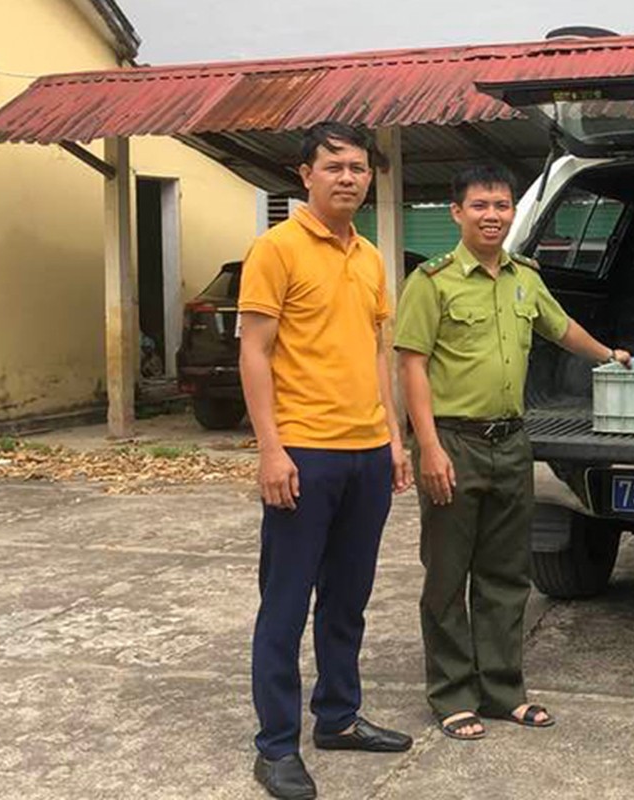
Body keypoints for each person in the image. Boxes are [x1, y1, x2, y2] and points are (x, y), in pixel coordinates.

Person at [395, 164, 630, 741]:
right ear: (457, 213)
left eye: (501, 205)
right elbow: (411, 366)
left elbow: (560, 327)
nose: (493, 215)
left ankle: (502, 690)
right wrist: (426, 446)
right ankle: (452, 695)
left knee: (506, 575)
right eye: (480, 206)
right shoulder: (433, 281)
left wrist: (610, 355)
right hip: (454, 442)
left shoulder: (525, 278)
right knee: (448, 576)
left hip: (511, 442)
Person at [240, 121, 414, 800]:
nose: (348, 177)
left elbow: (377, 351)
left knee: (348, 601)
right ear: (304, 174)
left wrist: (394, 439)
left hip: (367, 453)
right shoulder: (275, 248)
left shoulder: (370, 255)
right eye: (334, 166)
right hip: (304, 453)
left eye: (359, 168)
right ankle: (276, 746)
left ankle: (337, 717)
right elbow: (254, 351)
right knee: (284, 606)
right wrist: (271, 450)